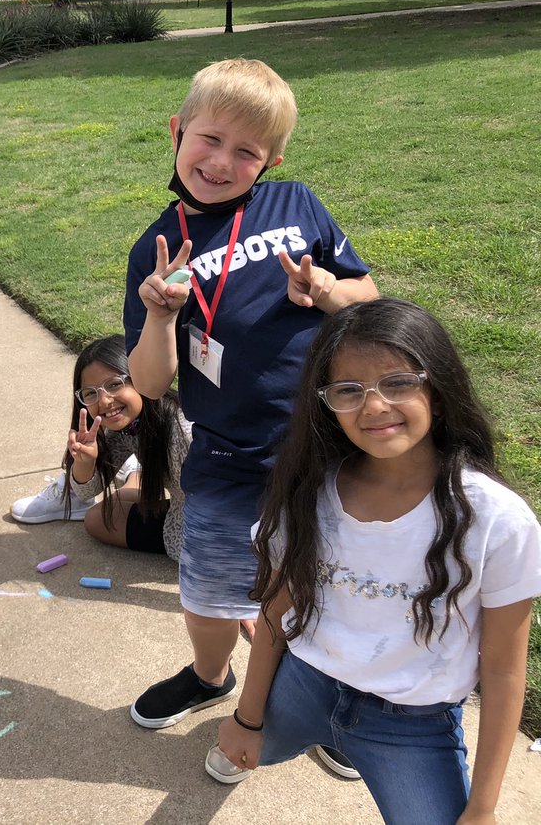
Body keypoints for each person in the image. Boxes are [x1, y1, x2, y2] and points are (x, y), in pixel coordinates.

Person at [207, 298, 541, 823]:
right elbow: (276, 608)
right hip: (303, 684)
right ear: (326, 403)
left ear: (439, 384)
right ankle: (279, 739)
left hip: (411, 725)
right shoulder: (309, 491)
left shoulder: (496, 520)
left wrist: (482, 807)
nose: (375, 406)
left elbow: (502, 671)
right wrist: (247, 719)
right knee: (247, 749)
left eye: (399, 381)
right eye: (348, 390)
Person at [124, 58, 379, 732]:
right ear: (178, 130)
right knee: (206, 593)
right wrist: (159, 315)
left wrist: (327, 291)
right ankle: (211, 677)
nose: (221, 161)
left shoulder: (299, 206)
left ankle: (334, 703)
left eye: (247, 151)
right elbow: (150, 385)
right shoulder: (156, 246)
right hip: (229, 456)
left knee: (331, 588)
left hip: (328, 449)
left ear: (271, 160)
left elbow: (368, 297)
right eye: (209, 138)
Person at [10, 335, 190, 560]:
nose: (104, 401)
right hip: (184, 510)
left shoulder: (182, 433)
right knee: (96, 518)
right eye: (91, 393)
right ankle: (135, 473)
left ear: (140, 378)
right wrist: (85, 463)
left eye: (114, 384)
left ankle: (135, 473)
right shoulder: (125, 427)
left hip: (207, 530)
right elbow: (86, 491)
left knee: (101, 519)